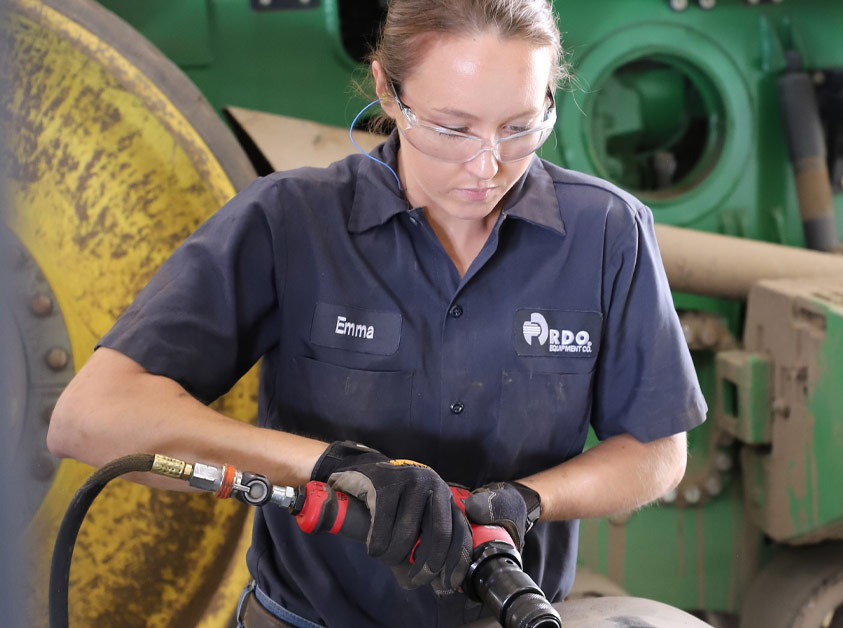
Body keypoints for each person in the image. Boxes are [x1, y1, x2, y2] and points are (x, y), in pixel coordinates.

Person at [46, 0, 707, 626]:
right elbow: (91, 418)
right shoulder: (290, 221)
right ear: (388, 90)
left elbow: (656, 450)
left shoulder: (607, 232)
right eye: (452, 128)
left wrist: (528, 503)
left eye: (519, 127)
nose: (487, 165)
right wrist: (332, 468)